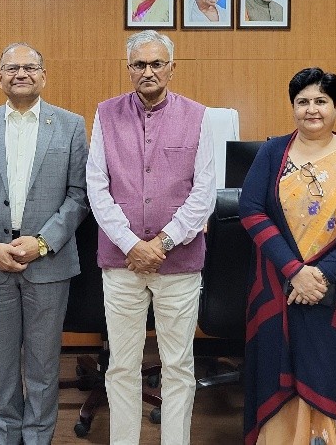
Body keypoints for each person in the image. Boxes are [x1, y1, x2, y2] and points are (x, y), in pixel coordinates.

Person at [240, 67, 336, 445]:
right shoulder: (272, 154)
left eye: (321, 101)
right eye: (302, 101)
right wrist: (295, 270)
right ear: (292, 107)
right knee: (279, 368)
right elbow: (251, 211)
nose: (312, 109)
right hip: (280, 287)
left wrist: (322, 274)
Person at [0, 42, 89, 445]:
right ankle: (8, 435)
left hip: (48, 264)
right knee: (1, 366)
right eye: (12, 68)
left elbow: (79, 195)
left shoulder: (70, 125)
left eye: (30, 67)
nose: (21, 74)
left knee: (44, 366)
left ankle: (38, 438)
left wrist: (42, 243)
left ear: (43, 75)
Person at [86, 29, 216, 445]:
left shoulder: (198, 116)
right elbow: (96, 186)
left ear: (171, 68)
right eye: (139, 64)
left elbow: (204, 192)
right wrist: (131, 244)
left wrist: (161, 244)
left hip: (178, 265)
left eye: (156, 63)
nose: (148, 71)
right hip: (121, 263)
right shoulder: (106, 114)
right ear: (128, 69)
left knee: (177, 366)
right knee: (122, 366)